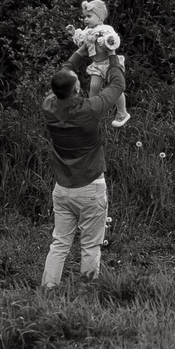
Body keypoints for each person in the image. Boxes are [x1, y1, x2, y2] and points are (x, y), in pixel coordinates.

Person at [41, 39, 125, 288]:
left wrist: (82, 49)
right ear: (77, 90)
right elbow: (118, 84)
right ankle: (87, 291)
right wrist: (111, 55)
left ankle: (48, 289)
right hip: (90, 188)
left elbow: (66, 71)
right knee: (90, 244)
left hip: (62, 189)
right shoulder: (89, 110)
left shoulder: (49, 106)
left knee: (59, 243)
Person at [70, 0, 130, 128]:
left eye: (89, 16)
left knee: (116, 87)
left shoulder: (105, 29)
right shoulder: (87, 31)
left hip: (109, 63)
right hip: (97, 66)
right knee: (94, 87)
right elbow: (81, 41)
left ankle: (122, 112)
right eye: (84, 17)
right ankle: (92, 111)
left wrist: (107, 40)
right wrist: (74, 33)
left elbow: (114, 39)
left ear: (100, 18)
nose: (85, 19)